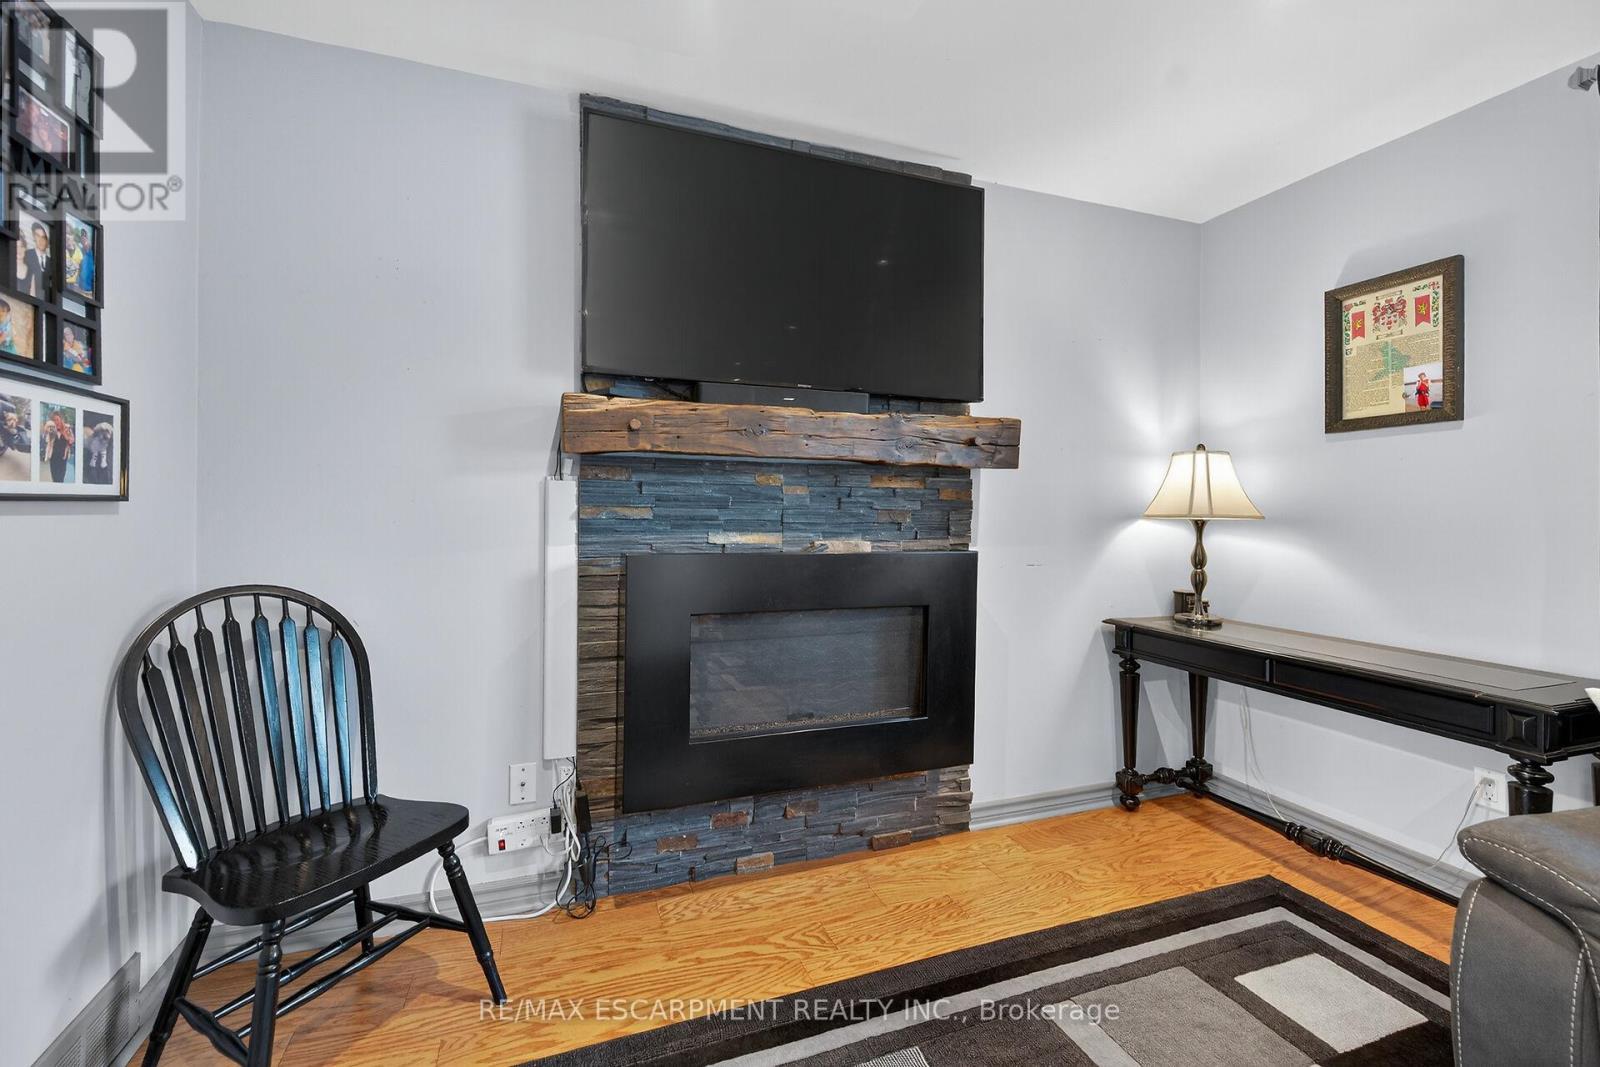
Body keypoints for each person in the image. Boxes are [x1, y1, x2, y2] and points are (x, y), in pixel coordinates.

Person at [19, 221, 49, 297]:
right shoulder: (25, 255)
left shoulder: (52, 262)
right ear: (33, 237)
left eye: (43, 237)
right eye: (38, 236)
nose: (41, 240)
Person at [41, 410, 72, 482]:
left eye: (57, 419)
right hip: (54, 457)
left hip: (63, 457)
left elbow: (71, 442)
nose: (56, 422)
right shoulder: (51, 429)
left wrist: (65, 434)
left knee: (61, 478)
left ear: (61, 419)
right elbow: (44, 438)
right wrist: (46, 430)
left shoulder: (67, 428)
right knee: (54, 478)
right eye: (54, 420)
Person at [84, 419, 112, 484]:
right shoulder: (94, 442)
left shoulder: (107, 446)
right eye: (102, 431)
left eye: (107, 431)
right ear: (98, 433)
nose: (104, 434)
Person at [73, 228, 94, 297]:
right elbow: (77, 269)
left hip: (91, 291)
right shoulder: (80, 252)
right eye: (82, 238)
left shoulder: (93, 252)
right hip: (81, 289)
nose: (83, 239)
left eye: (85, 237)